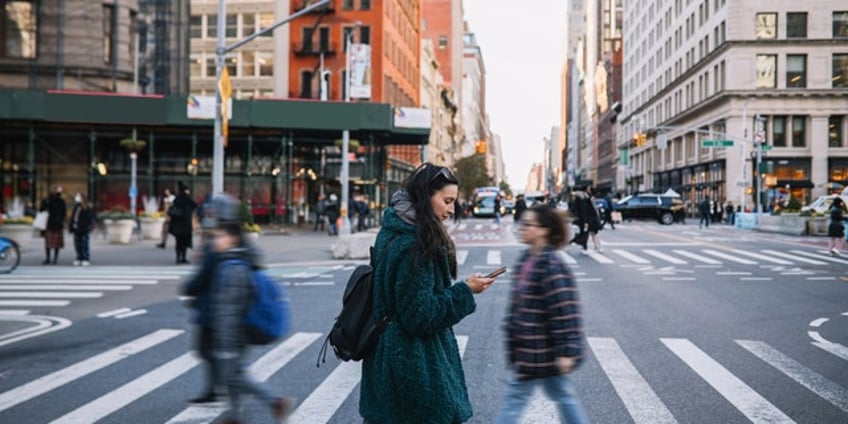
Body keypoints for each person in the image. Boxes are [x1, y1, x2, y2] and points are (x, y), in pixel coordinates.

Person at [359, 162, 497, 423]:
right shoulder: (417, 245)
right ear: (426, 197)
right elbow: (419, 315)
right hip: (414, 365)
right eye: (447, 201)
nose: (451, 209)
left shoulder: (392, 230)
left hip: (386, 359)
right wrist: (465, 292)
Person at [193, 194, 291, 423]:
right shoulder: (242, 251)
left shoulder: (230, 261)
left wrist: (224, 339)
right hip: (243, 323)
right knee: (233, 370)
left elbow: (228, 306)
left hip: (236, 326)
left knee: (232, 372)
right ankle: (235, 416)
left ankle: (274, 402)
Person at [495, 203, 588, 424]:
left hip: (542, 350)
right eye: (522, 223)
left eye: (528, 224)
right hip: (531, 349)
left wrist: (567, 351)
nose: (522, 228)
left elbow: (565, 310)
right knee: (563, 396)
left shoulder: (551, 265)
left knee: (517, 399)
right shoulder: (527, 260)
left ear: (544, 230)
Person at [168, 181, 197, 264]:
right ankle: (183, 258)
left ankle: (178, 258)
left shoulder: (177, 199)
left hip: (177, 225)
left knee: (178, 242)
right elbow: (194, 205)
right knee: (184, 242)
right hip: (185, 224)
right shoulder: (187, 198)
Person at [40, 185, 67, 265]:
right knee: (53, 243)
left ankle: (51, 258)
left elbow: (41, 209)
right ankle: (52, 258)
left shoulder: (51, 200)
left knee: (51, 243)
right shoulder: (51, 200)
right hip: (53, 223)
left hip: (52, 223)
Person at [68, 192, 95, 266]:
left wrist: (87, 227)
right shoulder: (77, 206)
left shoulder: (87, 207)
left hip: (83, 228)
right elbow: (73, 217)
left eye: (78, 196)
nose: (76, 197)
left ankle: (85, 258)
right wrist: (71, 227)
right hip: (76, 228)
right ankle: (79, 257)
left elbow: (89, 218)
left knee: (84, 244)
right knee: (77, 245)